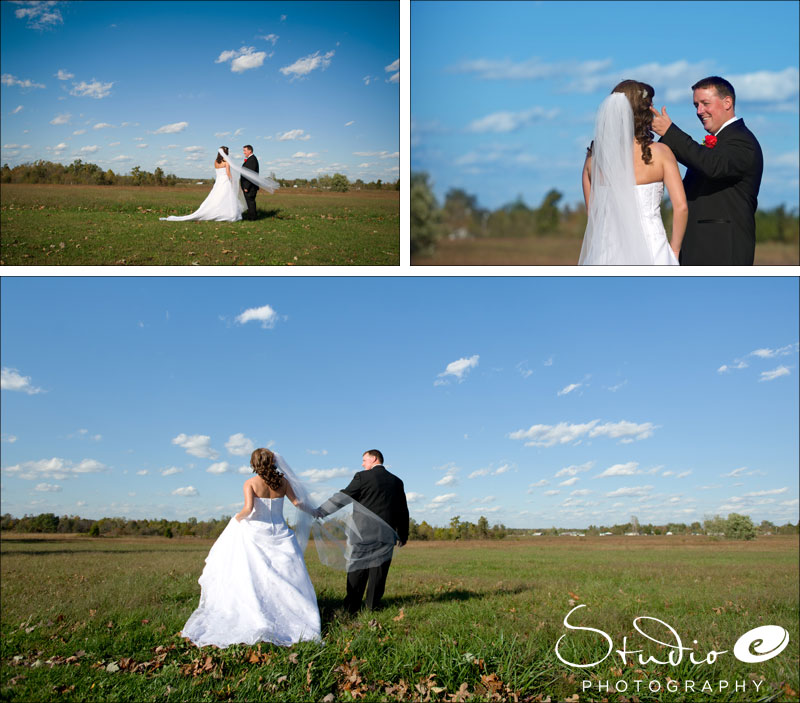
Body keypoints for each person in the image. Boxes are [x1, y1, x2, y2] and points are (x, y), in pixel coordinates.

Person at [180, 448, 321, 648]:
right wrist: (314, 511)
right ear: (273, 462)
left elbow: (248, 510)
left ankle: (260, 613)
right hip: (281, 533)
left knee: (255, 577)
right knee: (284, 578)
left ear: (254, 464)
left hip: (256, 533)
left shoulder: (250, 483)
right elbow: (297, 502)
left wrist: (234, 521)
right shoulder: (283, 482)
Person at [650, 76, 763, 265]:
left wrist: (670, 132)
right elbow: (699, 159)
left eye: (705, 103)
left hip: (722, 250)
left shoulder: (743, 142)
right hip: (698, 248)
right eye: (696, 105)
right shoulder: (724, 142)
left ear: (728, 102)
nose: (699, 111)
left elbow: (711, 165)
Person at [579, 80, 687, 265]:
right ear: (644, 112)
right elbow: (681, 207)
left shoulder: (593, 160)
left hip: (606, 252)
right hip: (654, 249)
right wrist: (675, 251)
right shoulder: (661, 153)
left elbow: (594, 216)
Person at [318, 450, 409, 614]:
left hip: (362, 534)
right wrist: (403, 534)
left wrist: (321, 511)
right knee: (378, 574)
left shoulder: (362, 477)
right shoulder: (397, 481)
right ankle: (372, 608)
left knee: (357, 571)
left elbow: (344, 497)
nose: (362, 464)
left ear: (374, 459)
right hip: (386, 535)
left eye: (364, 460)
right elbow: (403, 510)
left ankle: (351, 608)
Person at [159, 146, 243, 222]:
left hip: (218, 181)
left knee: (217, 197)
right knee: (226, 197)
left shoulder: (215, 162)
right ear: (226, 153)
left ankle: (220, 212)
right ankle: (228, 214)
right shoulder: (226, 161)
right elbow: (228, 173)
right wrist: (232, 181)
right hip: (225, 181)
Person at [241, 145, 259, 220]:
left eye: (245, 150)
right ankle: (251, 217)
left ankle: (252, 218)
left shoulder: (252, 160)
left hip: (250, 186)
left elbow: (250, 175)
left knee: (250, 202)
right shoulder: (250, 159)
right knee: (249, 202)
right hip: (249, 186)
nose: (243, 152)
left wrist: (246, 187)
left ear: (250, 151)